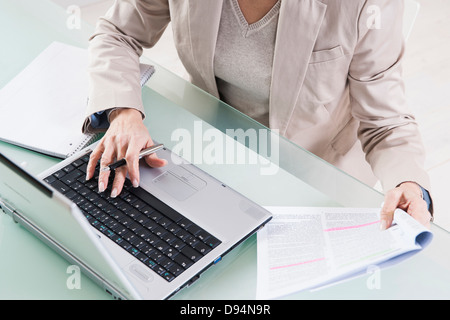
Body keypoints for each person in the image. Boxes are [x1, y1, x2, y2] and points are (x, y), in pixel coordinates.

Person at [83, 0, 433, 229]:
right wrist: (124, 112)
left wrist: (409, 186)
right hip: (211, 146)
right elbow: (117, 33)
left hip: (310, 173)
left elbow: (385, 123)